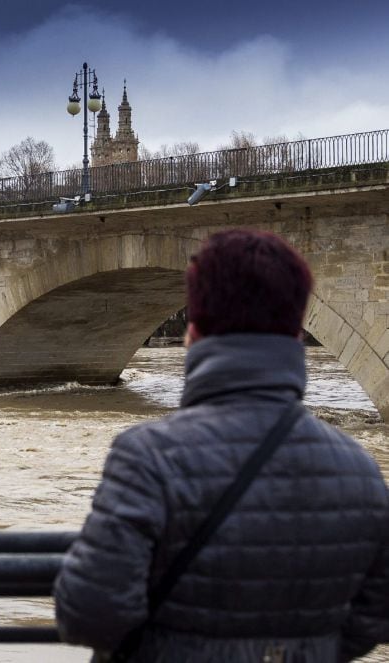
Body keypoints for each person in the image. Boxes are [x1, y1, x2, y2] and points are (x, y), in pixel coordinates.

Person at [54, 229, 388, 661]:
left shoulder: (148, 457)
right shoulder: (360, 469)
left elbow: (89, 614)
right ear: (297, 335)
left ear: (193, 333)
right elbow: (374, 614)